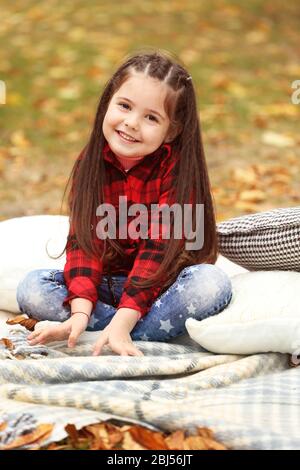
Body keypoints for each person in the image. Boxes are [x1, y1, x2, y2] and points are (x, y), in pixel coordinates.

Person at [16, 50, 232, 357]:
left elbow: (158, 254)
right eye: (125, 106)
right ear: (108, 102)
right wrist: (79, 313)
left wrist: (125, 317)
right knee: (32, 288)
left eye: (151, 117)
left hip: (161, 286)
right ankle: (125, 332)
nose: (131, 123)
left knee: (212, 285)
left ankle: (113, 332)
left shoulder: (179, 172)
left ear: (171, 131)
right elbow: (84, 246)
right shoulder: (90, 163)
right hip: (106, 287)